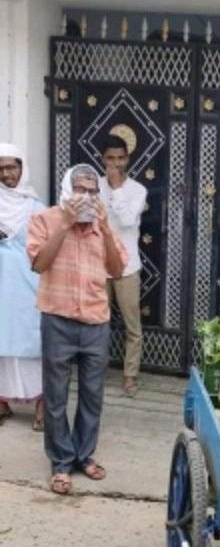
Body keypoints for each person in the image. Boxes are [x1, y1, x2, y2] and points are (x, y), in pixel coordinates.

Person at [27, 164, 127, 495]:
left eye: (92, 191)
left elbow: (117, 267)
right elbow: (39, 263)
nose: (87, 197)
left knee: (92, 395)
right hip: (58, 319)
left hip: (96, 321)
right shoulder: (46, 219)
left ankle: (84, 455)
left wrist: (105, 226)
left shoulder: (102, 224)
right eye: (80, 190)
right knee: (55, 397)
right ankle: (60, 463)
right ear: (68, 191)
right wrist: (66, 224)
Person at [0, 143, 45, 431]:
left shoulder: (36, 207)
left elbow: (45, 248)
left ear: (22, 168)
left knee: (33, 344)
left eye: (12, 167)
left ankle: (42, 405)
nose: (7, 174)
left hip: (28, 286)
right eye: (1, 169)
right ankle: (2, 401)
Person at [99, 134, 147, 397]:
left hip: (128, 266)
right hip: (98, 264)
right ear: (102, 159)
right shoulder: (93, 185)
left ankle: (130, 376)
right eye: (110, 158)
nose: (116, 164)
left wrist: (117, 188)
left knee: (132, 326)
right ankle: (97, 370)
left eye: (120, 158)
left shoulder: (138, 190)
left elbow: (128, 221)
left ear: (127, 159)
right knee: (97, 323)